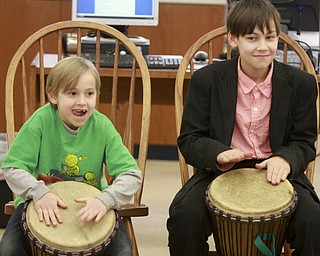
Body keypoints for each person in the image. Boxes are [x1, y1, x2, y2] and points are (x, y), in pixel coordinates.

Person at [167, 0, 320, 255]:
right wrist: (218, 153)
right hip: (220, 170)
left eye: (270, 38)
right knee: (184, 217)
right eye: (252, 38)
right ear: (233, 39)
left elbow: (305, 142)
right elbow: (190, 139)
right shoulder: (207, 79)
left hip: (278, 171)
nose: (263, 46)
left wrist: (285, 158)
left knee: (314, 221)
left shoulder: (302, 83)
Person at [0, 56, 142, 256]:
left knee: (123, 251)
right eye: (72, 93)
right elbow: (12, 167)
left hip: (92, 206)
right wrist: (38, 192)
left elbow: (132, 174)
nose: (82, 102)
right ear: (53, 96)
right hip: (36, 202)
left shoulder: (102, 126)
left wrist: (106, 199)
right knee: (8, 249)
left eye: (89, 93)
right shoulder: (40, 121)